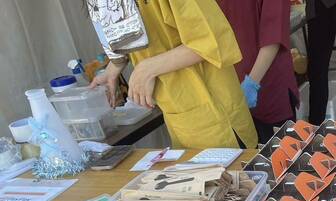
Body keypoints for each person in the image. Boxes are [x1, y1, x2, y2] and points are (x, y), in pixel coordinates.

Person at [89, 0, 258, 149]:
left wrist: (146, 69)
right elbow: (137, 33)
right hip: (180, 119)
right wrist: (115, 66)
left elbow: (213, 41)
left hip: (218, 120)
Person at [217, 0, 300, 144]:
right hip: (230, 89)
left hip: (269, 88)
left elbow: (274, 35)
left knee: (279, 153)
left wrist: (251, 83)